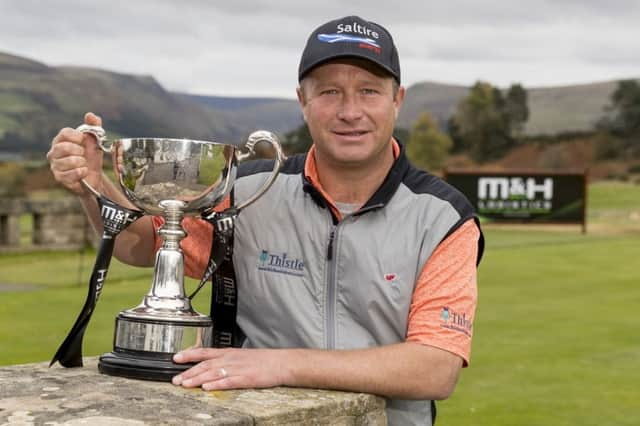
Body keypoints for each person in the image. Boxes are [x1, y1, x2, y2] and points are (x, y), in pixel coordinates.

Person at [47, 15, 484, 426]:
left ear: (397, 100)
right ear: (303, 102)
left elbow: (434, 367)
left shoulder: (443, 216)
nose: (350, 110)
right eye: (329, 92)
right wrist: (95, 185)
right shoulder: (249, 190)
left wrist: (277, 362)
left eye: (369, 90)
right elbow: (142, 246)